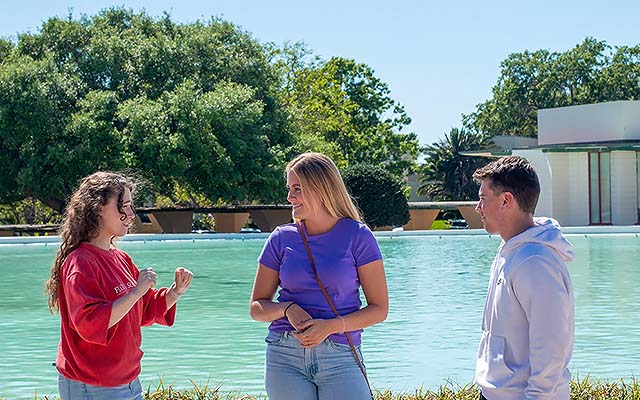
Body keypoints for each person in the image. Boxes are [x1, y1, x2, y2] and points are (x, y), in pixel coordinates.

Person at [249, 152, 388, 400]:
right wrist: (287, 308)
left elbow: (379, 309)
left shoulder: (358, 236)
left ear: (321, 188)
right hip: (285, 354)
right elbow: (257, 307)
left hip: (340, 356)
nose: (289, 197)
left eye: (297, 189)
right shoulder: (281, 238)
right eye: (290, 188)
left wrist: (332, 326)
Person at [44, 172, 193, 400]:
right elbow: (90, 323)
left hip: (129, 382)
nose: (131, 214)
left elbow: (143, 310)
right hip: (92, 384)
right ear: (98, 208)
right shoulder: (80, 263)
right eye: (124, 206)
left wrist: (175, 292)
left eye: (131, 206)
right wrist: (135, 292)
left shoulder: (121, 258)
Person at [472, 156, 575, 400]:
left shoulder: (534, 261)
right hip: (498, 393)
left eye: (482, 199)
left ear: (506, 200)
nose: (478, 208)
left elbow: (551, 348)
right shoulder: (510, 251)